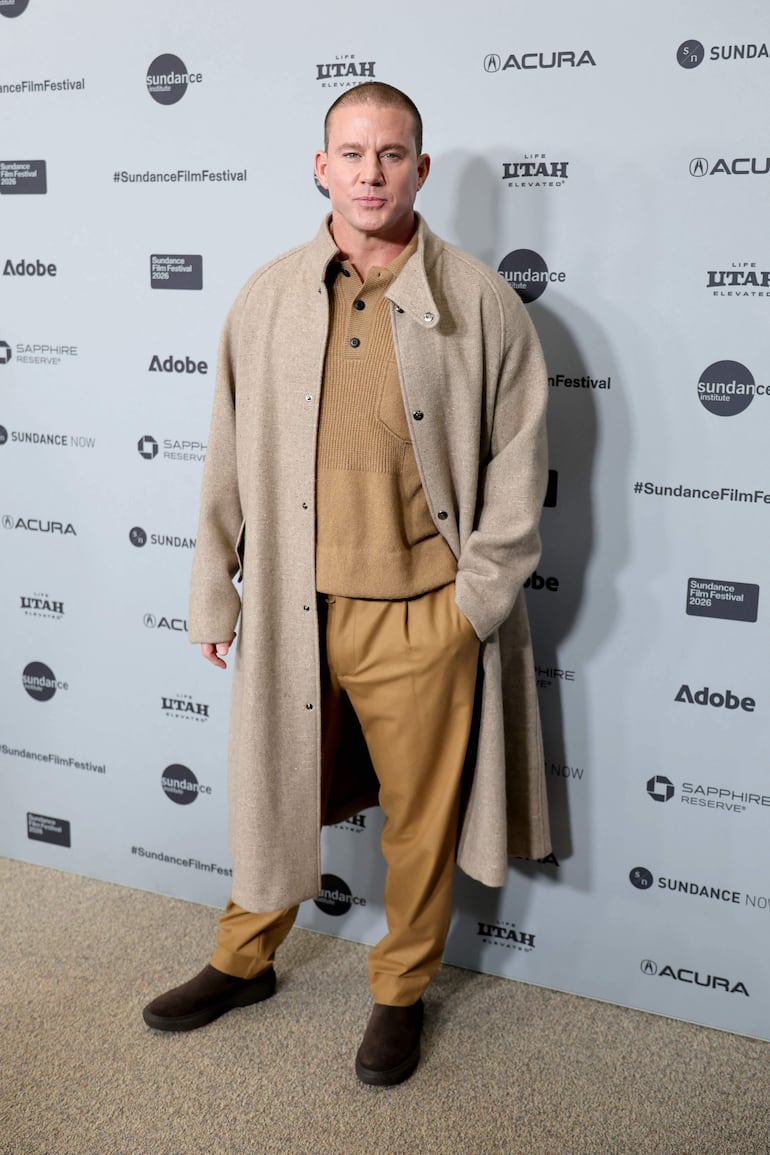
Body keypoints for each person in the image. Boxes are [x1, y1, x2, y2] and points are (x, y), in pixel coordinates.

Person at [143, 81, 551, 1086]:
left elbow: (518, 468)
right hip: (295, 608)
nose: (372, 174)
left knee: (419, 824)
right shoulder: (268, 297)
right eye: (353, 154)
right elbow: (228, 455)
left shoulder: (480, 302)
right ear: (321, 168)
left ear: (420, 167)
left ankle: (400, 992)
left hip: (424, 616)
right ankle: (243, 959)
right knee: (272, 794)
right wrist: (213, 589)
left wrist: (472, 606)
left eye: (392, 153)